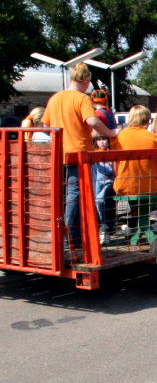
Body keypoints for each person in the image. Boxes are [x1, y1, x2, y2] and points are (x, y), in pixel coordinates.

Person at [41, 62, 118, 248]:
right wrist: (111, 133)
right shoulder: (82, 99)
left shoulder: (55, 98)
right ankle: (71, 239)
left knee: (62, 197)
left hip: (59, 154)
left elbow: (45, 126)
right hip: (78, 154)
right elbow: (92, 120)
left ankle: (62, 235)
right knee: (75, 196)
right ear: (86, 80)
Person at [113, 105, 157, 234]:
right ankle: (141, 228)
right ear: (146, 119)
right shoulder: (153, 137)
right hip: (149, 186)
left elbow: (115, 163)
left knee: (137, 206)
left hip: (124, 185)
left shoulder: (119, 137)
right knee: (146, 205)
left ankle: (134, 228)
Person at [92, 136, 116, 244]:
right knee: (98, 204)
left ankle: (106, 229)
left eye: (104, 139)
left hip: (109, 183)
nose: (102, 142)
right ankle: (104, 229)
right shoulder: (93, 153)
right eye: (99, 140)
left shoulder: (112, 153)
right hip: (97, 183)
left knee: (102, 202)